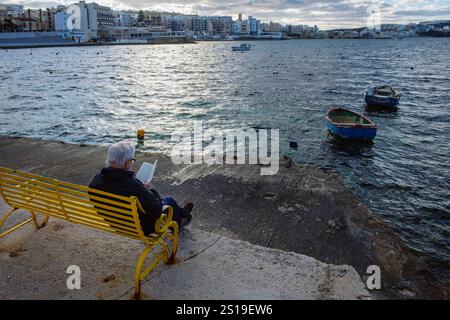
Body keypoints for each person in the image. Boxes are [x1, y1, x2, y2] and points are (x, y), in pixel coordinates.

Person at [89, 141, 193, 235]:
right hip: (139, 227)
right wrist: (149, 189)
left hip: (115, 223)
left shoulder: (95, 181)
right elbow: (156, 209)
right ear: (127, 163)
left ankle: (182, 213)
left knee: (159, 203)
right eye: (132, 160)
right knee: (169, 201)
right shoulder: (132, 185)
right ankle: (180, 221)